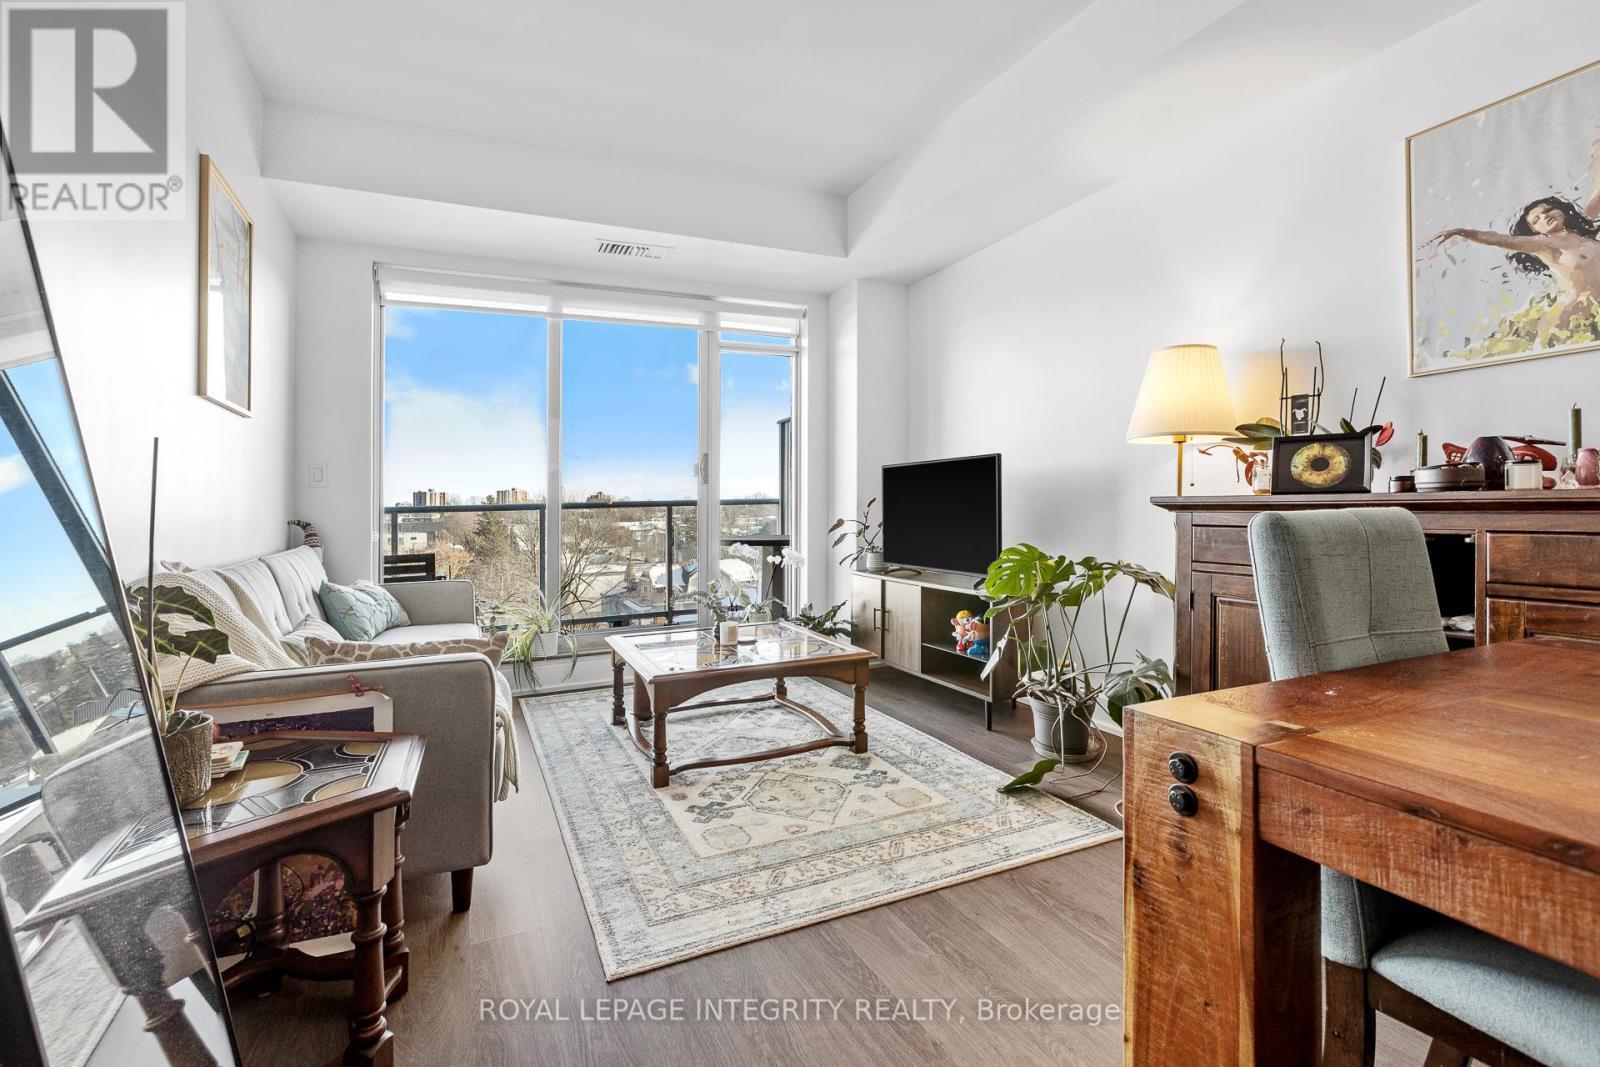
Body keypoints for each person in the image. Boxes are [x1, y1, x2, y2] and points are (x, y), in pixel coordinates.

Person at [1428, 139, 1600, 332]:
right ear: (1536, 231)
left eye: (1549, 210)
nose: (1545, 217)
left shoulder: (1584, 226)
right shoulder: (1544, 244)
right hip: (1576, 317)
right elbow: (1502, 240)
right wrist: (1462, 232)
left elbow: (1598, 194)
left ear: (1561, 210)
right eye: (1537, 220)